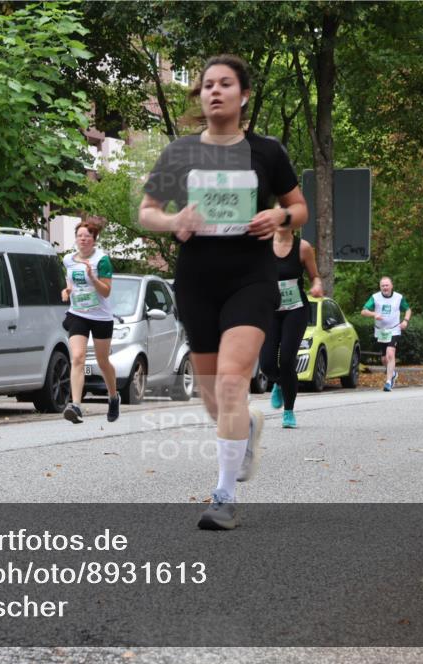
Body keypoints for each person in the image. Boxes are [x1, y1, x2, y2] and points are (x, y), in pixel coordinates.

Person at [138, 54, 308, 530]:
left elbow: (299, 208)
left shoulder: (267, 152)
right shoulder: (180, 153)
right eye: (207, 84)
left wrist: (279, 216)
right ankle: (246, 426)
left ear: (243, 94)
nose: (214, 91)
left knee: (233, 383)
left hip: (250, 277)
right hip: (197, 279)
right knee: (214, 396)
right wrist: (174, 221)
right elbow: (147, 211)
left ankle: (224, 497)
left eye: (225, 84)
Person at [260, 230, 323, 428]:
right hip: (270, 310)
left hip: (295, 310)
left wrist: (317, 286)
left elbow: (315, 277)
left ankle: (289, 411)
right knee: (267, 363)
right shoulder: (262, 245)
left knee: (287, 359)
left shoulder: (302, 247)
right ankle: (279, 382)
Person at [61, 219, 119, 423]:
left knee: (103, 362)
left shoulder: (101, 260)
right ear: (76, 239)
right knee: (77, 357)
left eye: (87, 236)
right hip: (78, 314)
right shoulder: (68, 259)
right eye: (80, 236)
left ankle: (113, 397)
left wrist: (92, 278)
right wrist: (67, 290)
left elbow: (107, 291)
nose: (83, 239)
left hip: (101, 316)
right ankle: (75, 405)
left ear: (94, 239)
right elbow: (70, 281)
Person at [361, 277, 411, 392]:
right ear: (380, 287)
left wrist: (405, 321)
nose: (385, 288)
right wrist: (374, 314)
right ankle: (393, 373)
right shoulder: (375, 297)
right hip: (381, 331)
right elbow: (363, 311)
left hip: (394, 329)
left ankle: (388, 382)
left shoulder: (398, 298)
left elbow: (408, 310)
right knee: (384, 359)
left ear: (391, 286)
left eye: (387, 285)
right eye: (383, 286)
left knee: (390, 353)